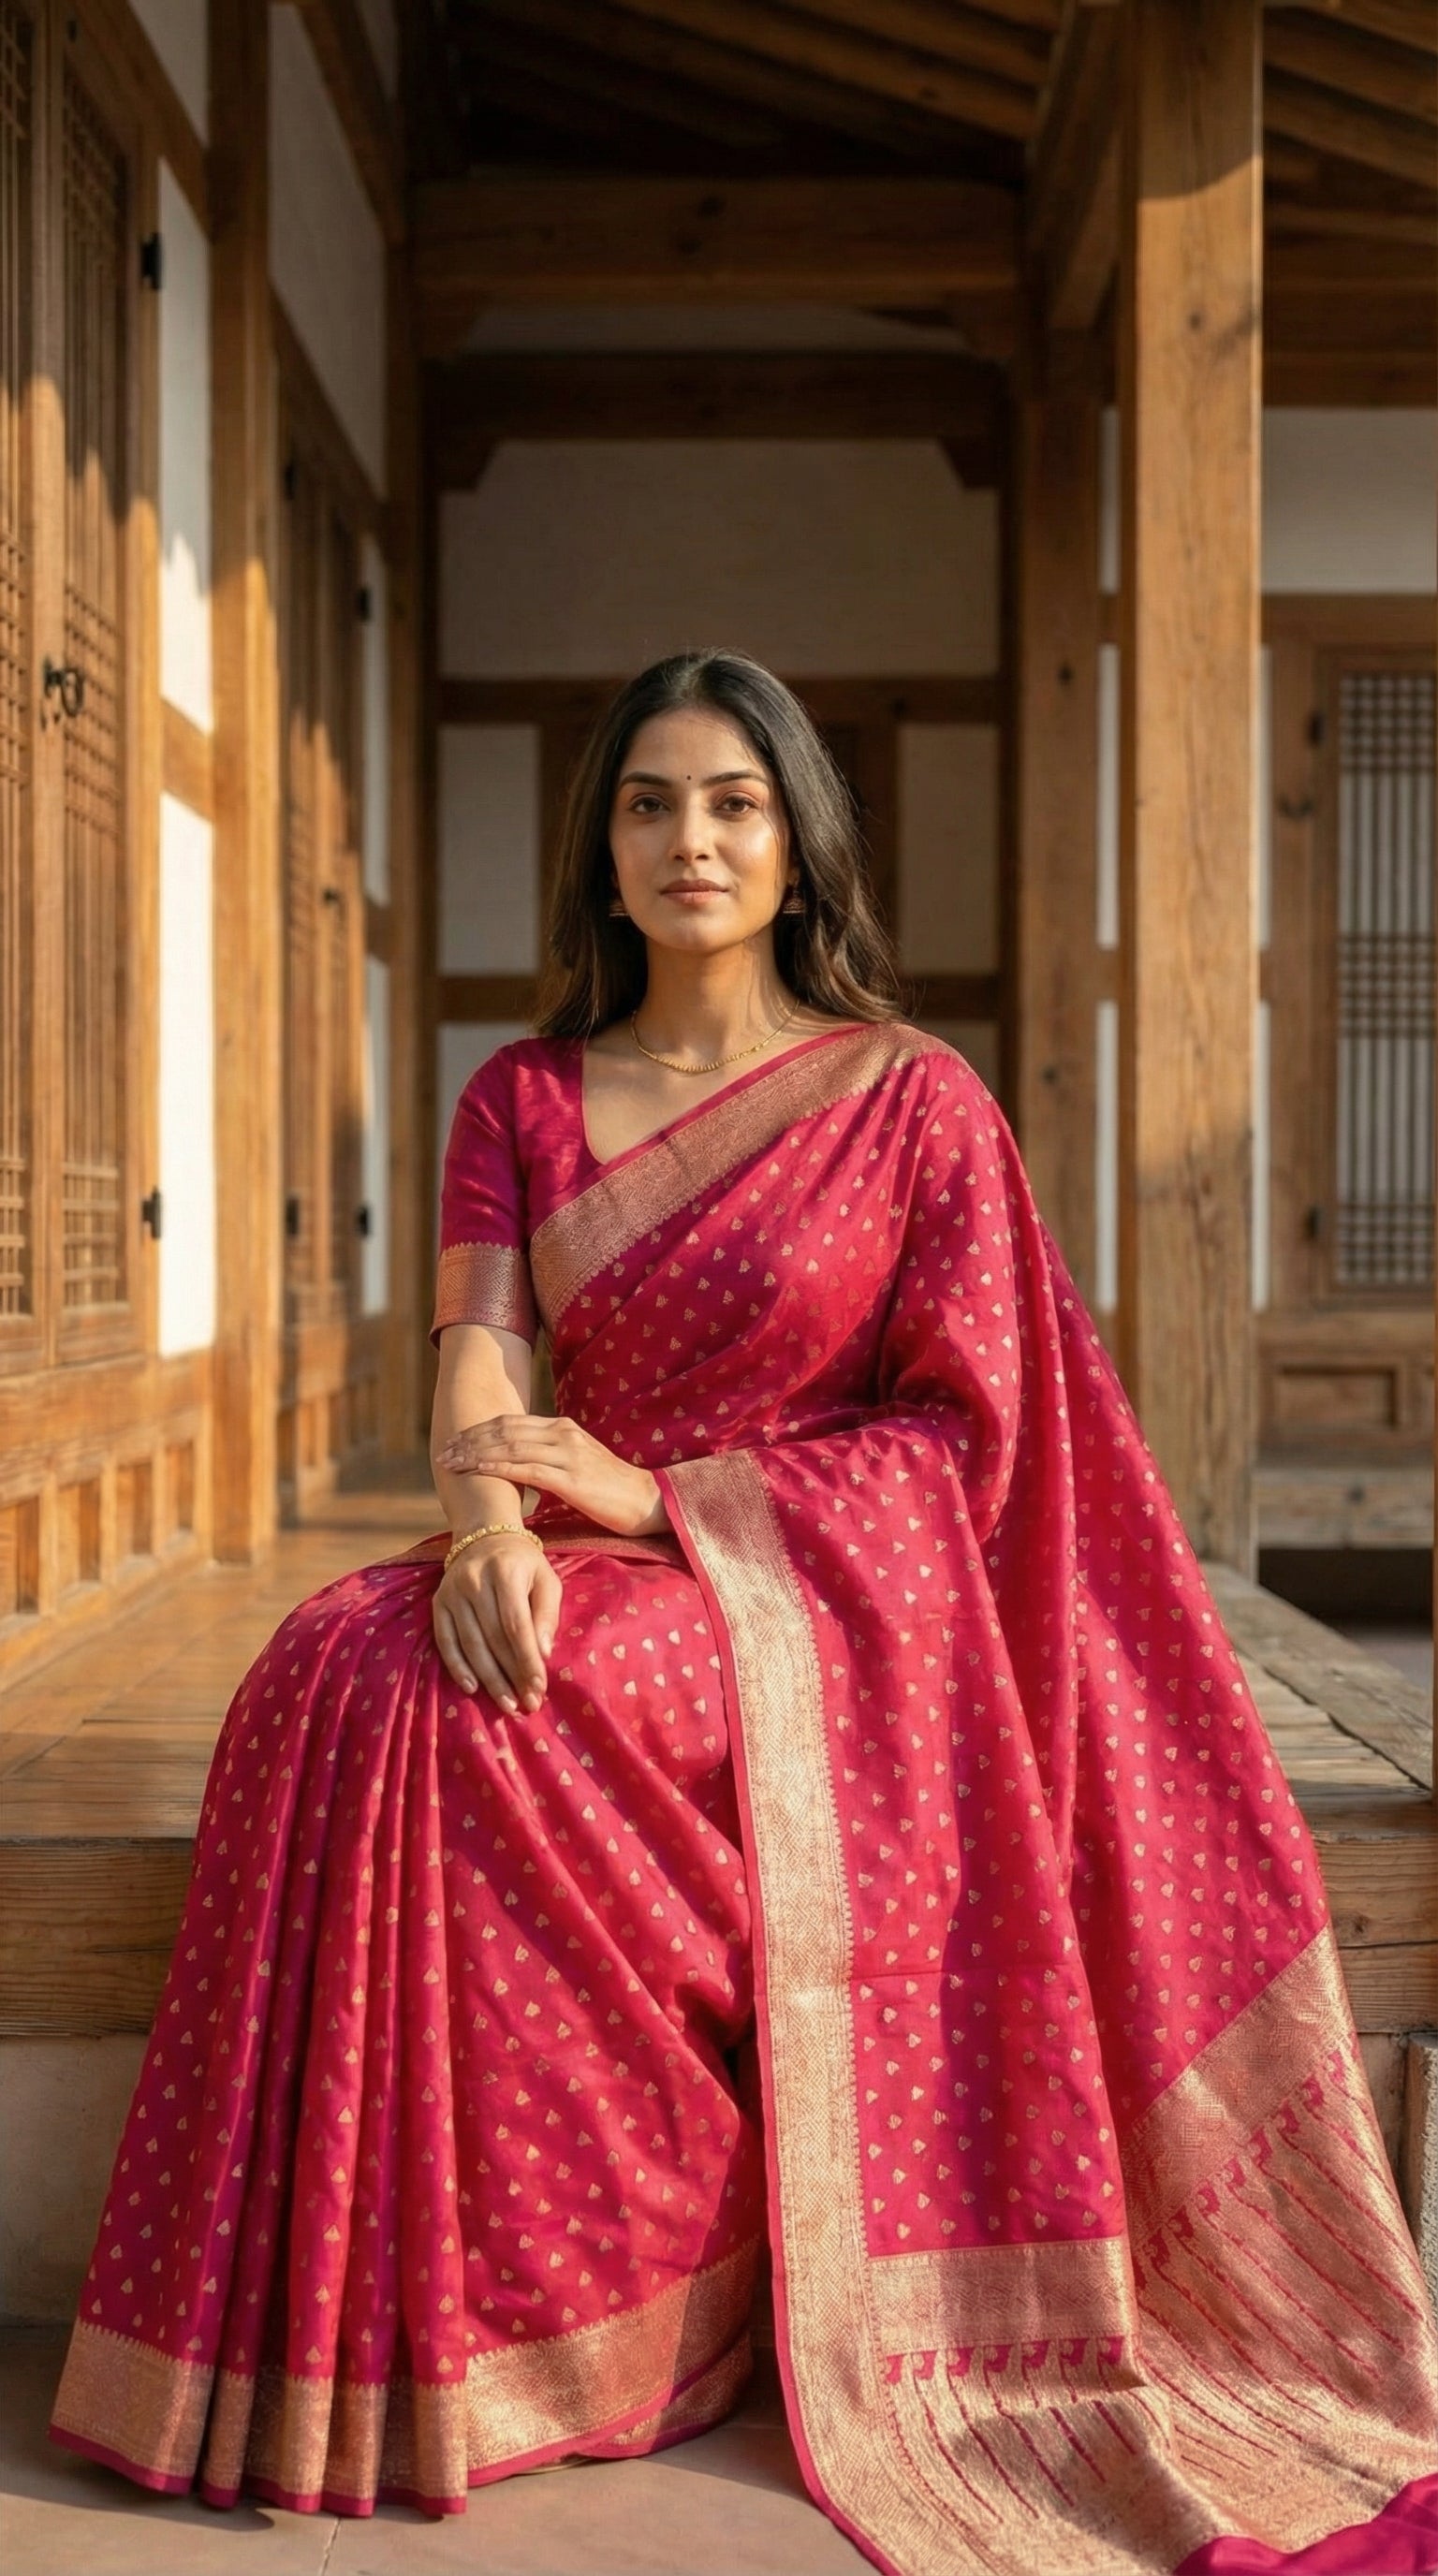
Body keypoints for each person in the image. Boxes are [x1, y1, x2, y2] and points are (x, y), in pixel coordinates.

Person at [51, 651, 1438, 2571]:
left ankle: (639, 2284)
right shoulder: (522, 1092)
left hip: (808, 1604)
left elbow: (970, 1443)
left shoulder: (912, 1100)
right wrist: (482, 1528)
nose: (687, 838)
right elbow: (476, 1344)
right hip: (571, 1541)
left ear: (799, 846)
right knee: (335, 1659)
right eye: (647, 802)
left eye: (731, 803)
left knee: (501, 1712)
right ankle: (360, 2327)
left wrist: (656, 1498)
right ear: (598, 846)